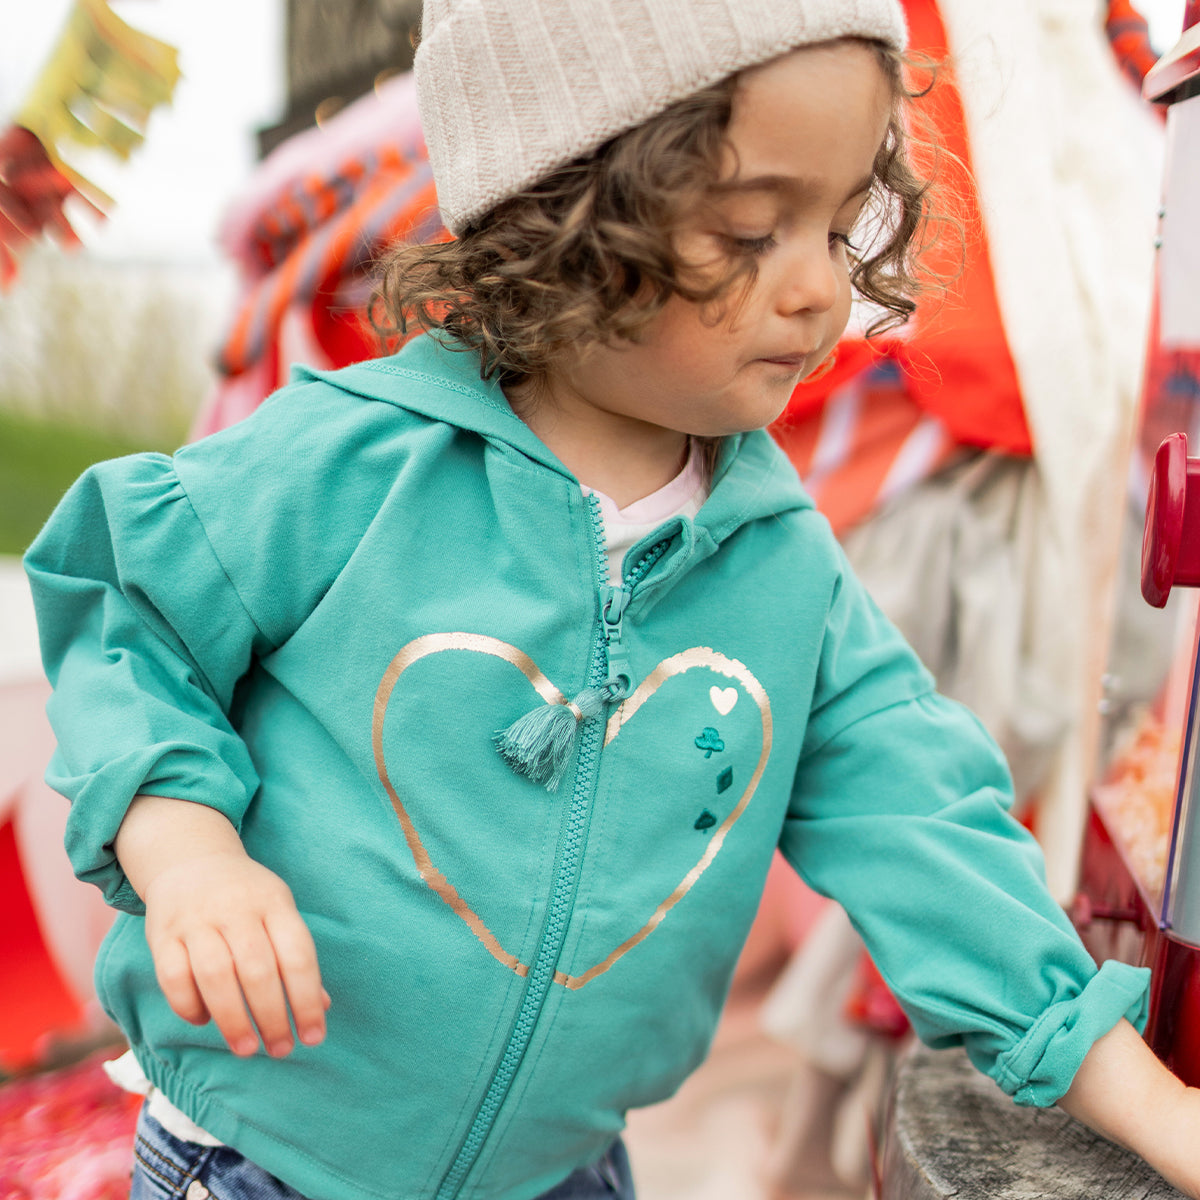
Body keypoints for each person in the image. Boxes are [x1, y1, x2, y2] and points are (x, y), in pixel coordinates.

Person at [21, 1, 1200, 1198]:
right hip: (261, 1159)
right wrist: (185, 849)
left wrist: (1159, 1111)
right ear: (564, 216)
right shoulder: (352, 465)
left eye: (842, 229)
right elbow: (128, 610)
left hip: (566, 1173)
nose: (820, 296)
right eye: (752, 234)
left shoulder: (785, 569)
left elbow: (934, 838)